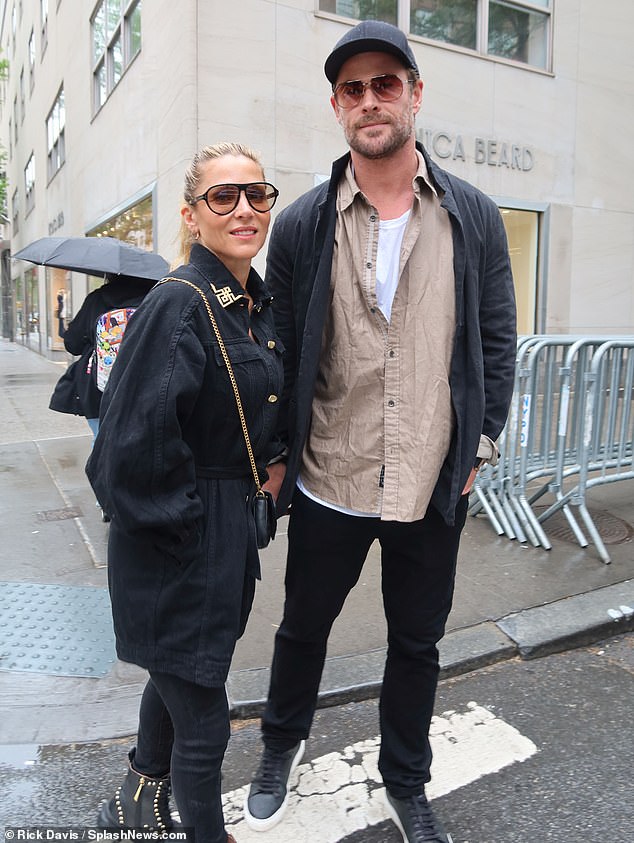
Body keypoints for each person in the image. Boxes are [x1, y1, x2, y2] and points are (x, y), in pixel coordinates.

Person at [243, 20, 517, 843]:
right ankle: (280, 748)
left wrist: (481, 444)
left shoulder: (471, 214)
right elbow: (282, 348)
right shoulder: (301, 223)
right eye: (353, 88)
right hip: (332, 472)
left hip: (432, 476)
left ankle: (406, 779)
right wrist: (278, 456)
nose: (370, 100)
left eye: (385, 83)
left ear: (414, 95)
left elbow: (496, 338)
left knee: (417, 644)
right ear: (336, 106)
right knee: (302, 629)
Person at [86, 142, 284, 843]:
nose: (242, 209)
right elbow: (124, 456)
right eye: (221, 197)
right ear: (191, 215)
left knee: (176, 678)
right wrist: (189, 536)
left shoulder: (249, 303)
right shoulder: (179, 302)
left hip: (224, 529)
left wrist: (273, 466)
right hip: (183, 539)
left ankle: (137, 797)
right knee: (204, 720)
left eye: (255, 194)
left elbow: (255, 405)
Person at [50, 273, 153, 440]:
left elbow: (73, 345)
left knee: (100, 441)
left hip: (96, 387)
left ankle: (101, 465)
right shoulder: (155, 299)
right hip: (143, 383)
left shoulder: (96, 299)